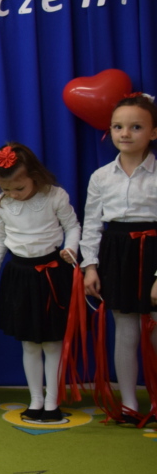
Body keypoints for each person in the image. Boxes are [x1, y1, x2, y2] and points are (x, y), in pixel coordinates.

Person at [0, 143, 80, 423]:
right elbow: (0, 241)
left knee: (52, 343)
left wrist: (70, 249)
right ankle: (35, 400)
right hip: (20, 276)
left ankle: (53, 402)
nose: (12, 194)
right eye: (5, 188)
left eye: (18, 188)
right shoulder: (0, 203)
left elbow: (72, 226)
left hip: (52, 275)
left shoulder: (55, 196)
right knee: (30, 344)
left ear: (35, 175)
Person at [81, 94, 157, 424]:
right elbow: (92, 225)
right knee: (125, 332)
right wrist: (90, 267)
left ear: (153, 132)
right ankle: (128, 404)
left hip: (152, 254)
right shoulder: (101, 176)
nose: (125, 133)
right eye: (118, 127)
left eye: (136, 127)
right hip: (117, 254)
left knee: (155, 333)